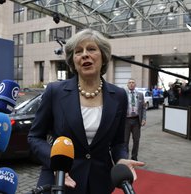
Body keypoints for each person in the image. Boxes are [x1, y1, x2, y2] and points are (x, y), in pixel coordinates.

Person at [27, 29, 144, 194]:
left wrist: (120, 158)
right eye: (78, 51)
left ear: (103, 56)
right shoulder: (55, 92)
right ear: (73, 61)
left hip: (100, 182)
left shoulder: (118, 95)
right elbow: (35, 137)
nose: (84, 55)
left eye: (91, 49)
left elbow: (118, 143)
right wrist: (55, 162)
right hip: (59, 179)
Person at [125, 78, 146, 161]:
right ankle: (125, 158)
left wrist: (144, 118)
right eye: (129, 82)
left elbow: (144, 108)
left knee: (136, 140)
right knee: (125, 141)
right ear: (127, 85)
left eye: (133, 82)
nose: (131, 84)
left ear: (135, 84)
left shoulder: (140, 95)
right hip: (126, 121)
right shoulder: (123, 94)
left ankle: (134, 158)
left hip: (137, 121)